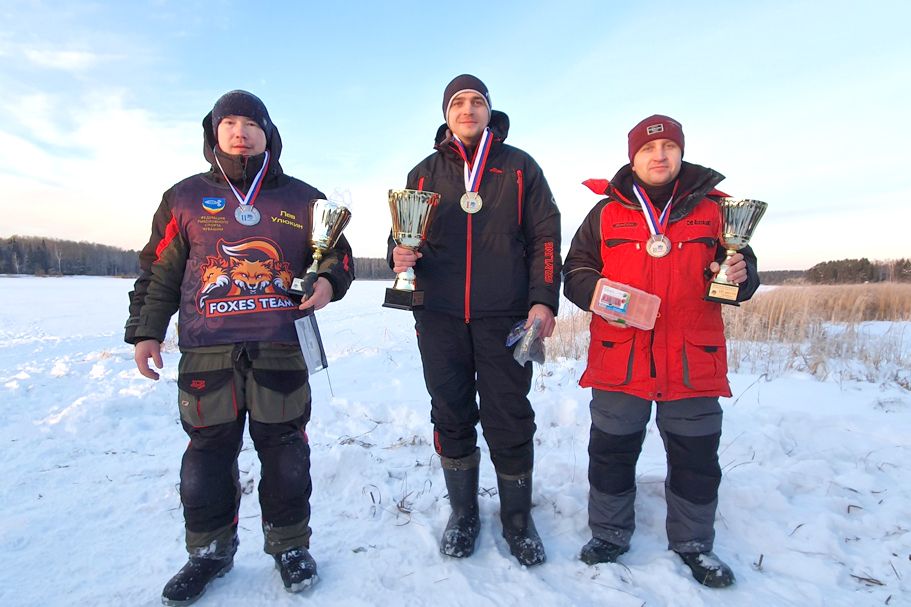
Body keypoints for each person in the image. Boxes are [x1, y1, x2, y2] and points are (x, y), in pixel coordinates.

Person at [124, 90, 354, 605]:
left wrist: (327, 282)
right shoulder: (183, 198)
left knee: (286, 453)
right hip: (207, 349)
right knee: (205, 456)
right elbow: (158, 271)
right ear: (214, 132)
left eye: (251, 122)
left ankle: (290, 546)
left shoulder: (302, 198)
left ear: (268, 132)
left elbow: (337, 256)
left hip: (280, 344)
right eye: (228, 122)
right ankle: (208, 551)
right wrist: (146, 330)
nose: (239, 131)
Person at [562, 115, 759, 587]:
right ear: (633, 157)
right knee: (610, 451)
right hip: (620, 354)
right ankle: (608, 534)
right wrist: (603, 296)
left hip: (692, 357)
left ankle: (694, 543)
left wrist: (739, 274)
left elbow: (745, 276)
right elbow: (574, 272)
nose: (659, 156)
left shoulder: (716, 212)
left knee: (696, 455)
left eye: (669, 146)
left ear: (680, 153)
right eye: (649, 149)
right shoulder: (606, 213)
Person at [388, 74, 561, 567]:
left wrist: (543, 298)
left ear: (490, 111)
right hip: (438, 316)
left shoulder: (520, 167)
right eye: (458, 102)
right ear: (446, 113)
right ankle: (463, 514)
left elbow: (546, 236)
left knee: (509, 415)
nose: (468, 109)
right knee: (451, 412)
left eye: (477, 101)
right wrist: (397, 254)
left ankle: (517, 521)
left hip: (505, 317)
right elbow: (401, 238)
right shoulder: (422, 174)